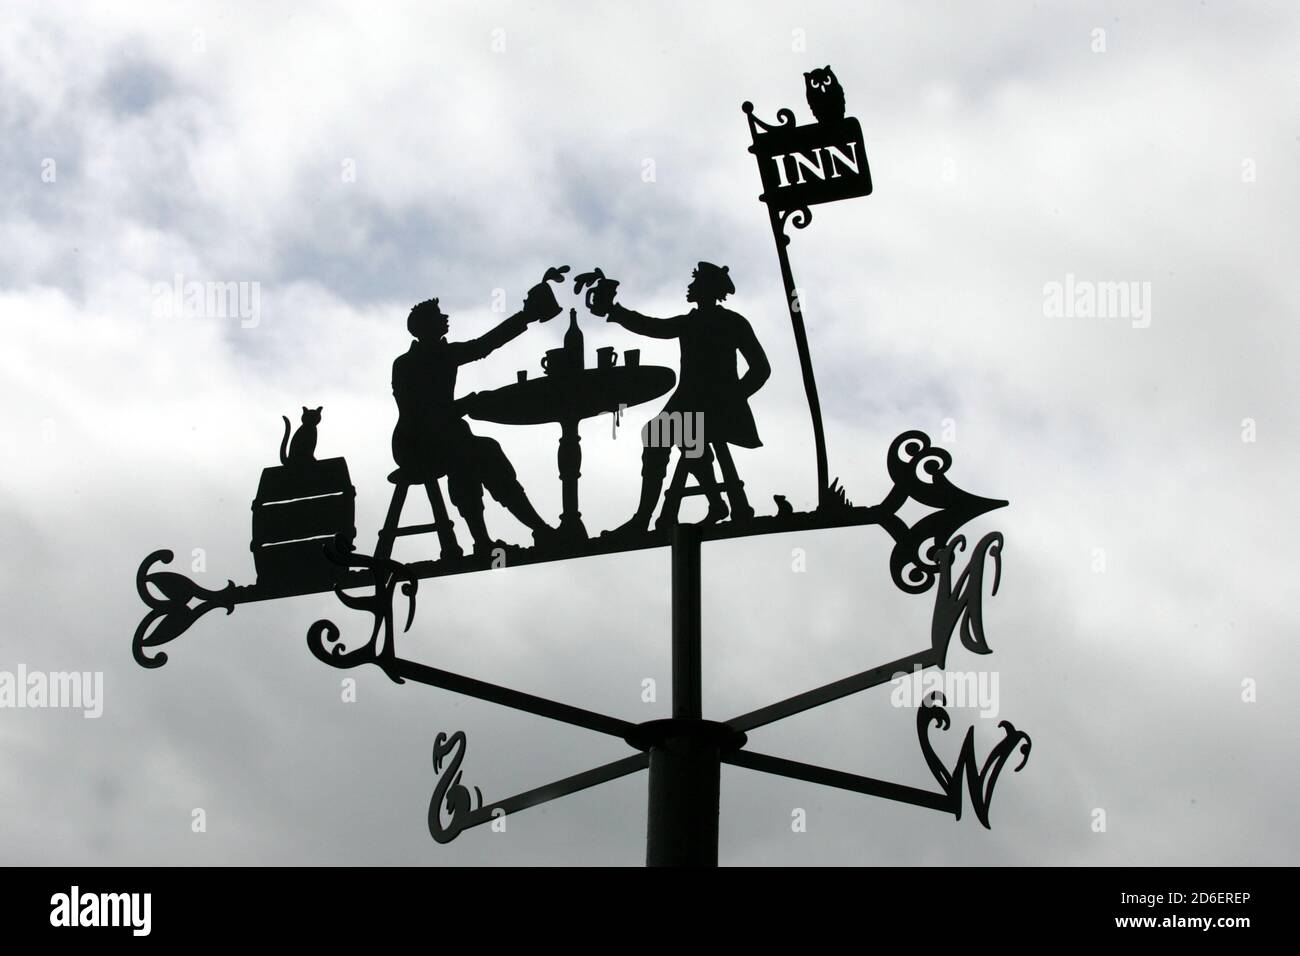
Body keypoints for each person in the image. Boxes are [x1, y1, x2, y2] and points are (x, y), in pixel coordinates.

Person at [585, 261, 770, 535]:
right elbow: (652, 327)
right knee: (672, 437)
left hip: (714, 409)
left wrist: (732, 398)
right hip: (688, 404)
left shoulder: (732, 322)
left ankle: (648, 518)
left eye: (695, 282)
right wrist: (615, 310)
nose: (689, 286)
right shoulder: (691, 322)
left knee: (673, 435)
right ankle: (702, 505)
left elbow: (761, 368)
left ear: (707, 288)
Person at [391, 283, 559, 555]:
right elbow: (419, 414)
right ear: (424, 327)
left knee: (479, 450)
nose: (445, 319)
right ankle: (492, 539)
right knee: (469, 453)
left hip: (445, 436)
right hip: (414, 445)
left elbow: (483, 346)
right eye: (437, 316)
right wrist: (464, 406)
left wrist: (525, 317)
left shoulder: (443, 355)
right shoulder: (407, 364)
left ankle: (532, 530)